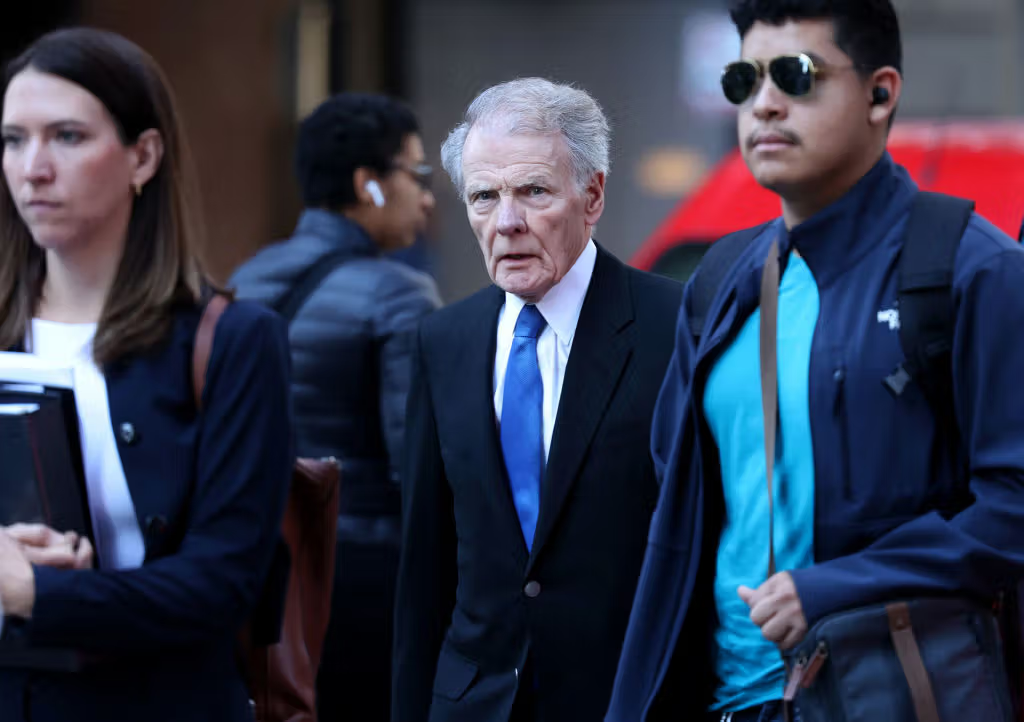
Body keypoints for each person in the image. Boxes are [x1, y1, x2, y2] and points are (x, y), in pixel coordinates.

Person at [605, 1, 1024, 721]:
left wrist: (837, 585)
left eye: (796, 76)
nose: (764, 103)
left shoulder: (971, 267)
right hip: (726, 700)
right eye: (744, 79)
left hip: (888, 694)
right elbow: (678, 504)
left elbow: (1013, 506)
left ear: (880, 92)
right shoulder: (720, 277)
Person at [0, 28, 292, 722]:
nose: (33, 167)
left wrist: (38, 594)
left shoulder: (233, 341)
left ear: (143, 156)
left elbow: (221, 585)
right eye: (13, 139)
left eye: (66, 137)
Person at [392, 78, 683, 722]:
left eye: (533, 191)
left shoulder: (674, 325)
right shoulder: (444, 340)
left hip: (626, 700)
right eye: (484, 197)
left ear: (593, 195)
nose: (507, 222)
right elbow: (425, 567)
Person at [230, 92, 440, 722]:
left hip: (259, 561)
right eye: (417, 175)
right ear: (368, 184)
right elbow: (419, 464)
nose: (428, 197)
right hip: (364, 575)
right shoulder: (399, 295)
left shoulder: (244, 279)